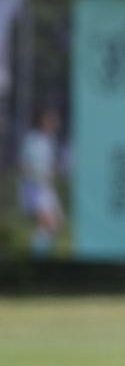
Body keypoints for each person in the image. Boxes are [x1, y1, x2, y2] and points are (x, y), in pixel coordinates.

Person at [18, 107, 65, 255]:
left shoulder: (52, 140)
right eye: (50, 120)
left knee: (56, 224)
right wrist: (33, 180)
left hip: (46, 187)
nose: (53, 124)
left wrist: (54, 171)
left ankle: (38, 253)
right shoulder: (32, 139)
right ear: (43, 121)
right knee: (49, 222)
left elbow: (51, 164)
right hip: (35, 187)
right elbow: (24, 165)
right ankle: (36, 256)